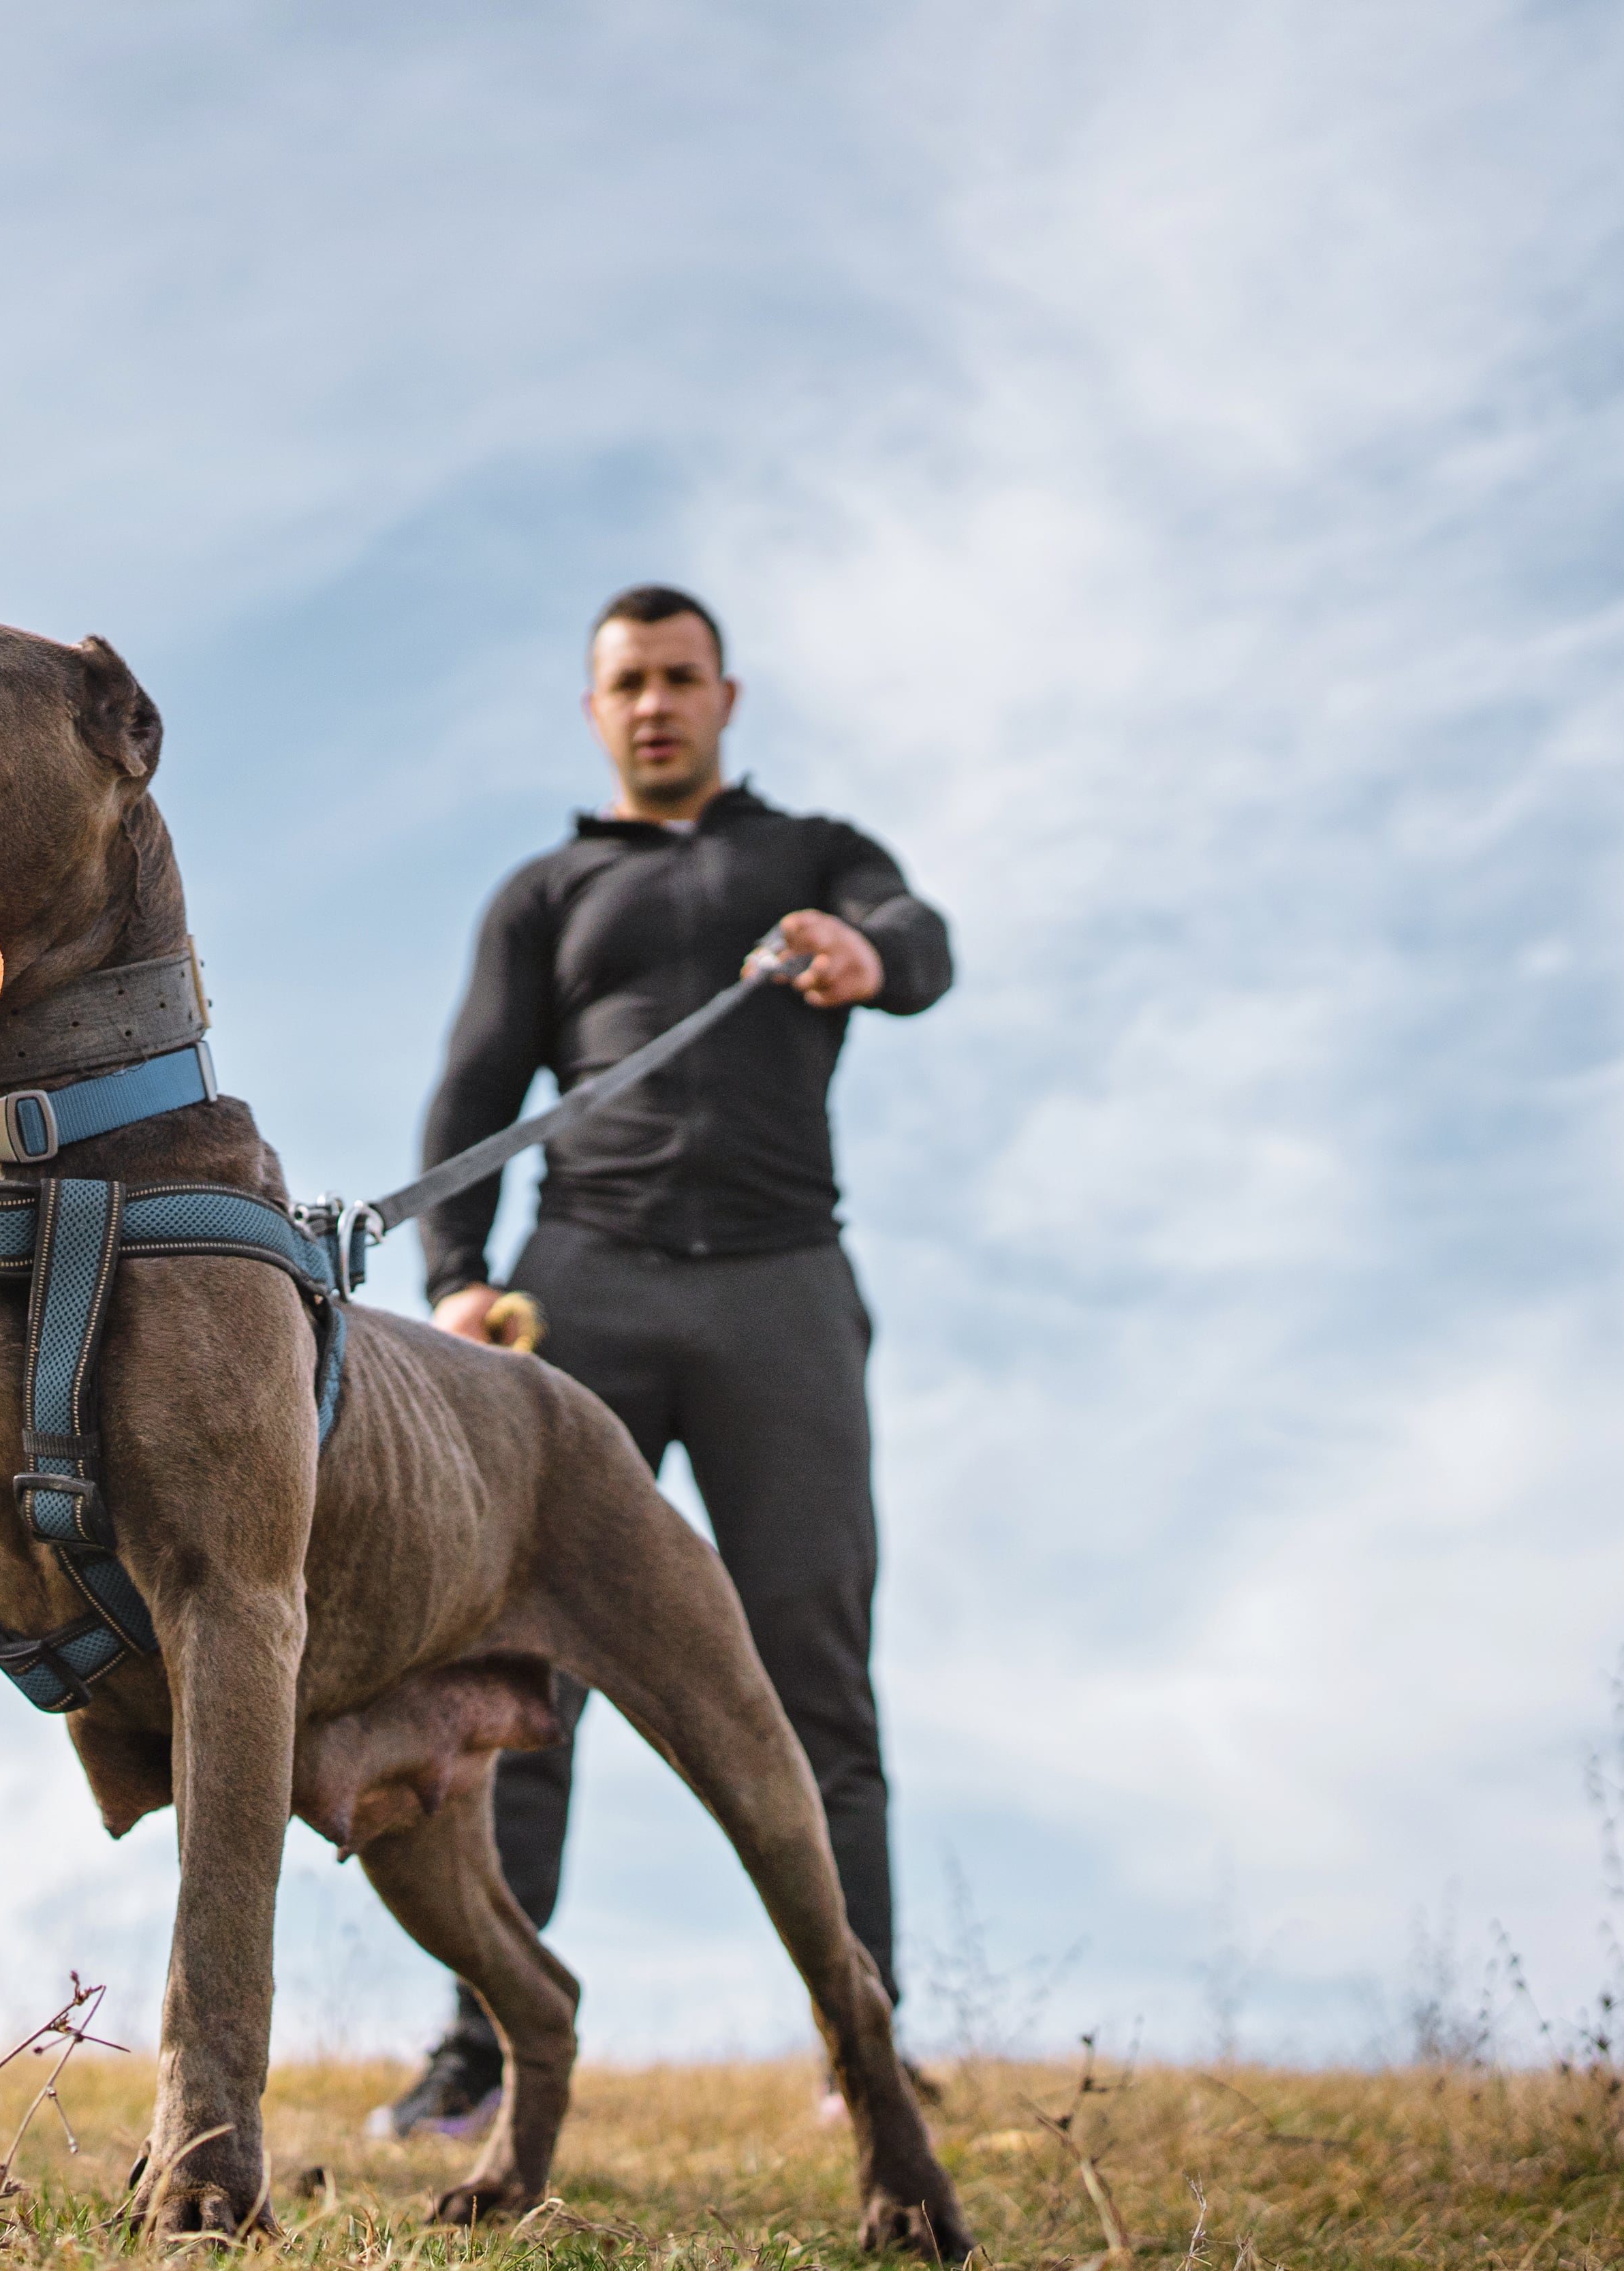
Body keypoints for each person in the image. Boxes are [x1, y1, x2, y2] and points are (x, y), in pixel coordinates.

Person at [371, 585, 954, 2139]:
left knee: (812, 1665)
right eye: (625, 682)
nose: (654, 704)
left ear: (724, 695)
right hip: (584, 1296)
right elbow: (469, 1097)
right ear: (593, 709)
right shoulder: (547, 888)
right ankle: (480, 2045)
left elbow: (925, 939)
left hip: (781, 1292)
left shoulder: (809, 855)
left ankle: (863, 2046)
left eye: (679, 679)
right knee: (513, 1667)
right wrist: (458, 1280)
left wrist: (863, 951)